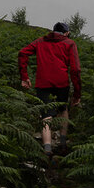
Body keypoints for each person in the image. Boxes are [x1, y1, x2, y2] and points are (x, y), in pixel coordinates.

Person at [18, 22, 82, 157]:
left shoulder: (40, 41)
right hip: (62, 82)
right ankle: (63, 143)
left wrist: (24, 76)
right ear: (66, 33)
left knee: (46, 115)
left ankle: (47, 149)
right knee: (63, 109)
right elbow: (75, 69)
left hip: (43, 82)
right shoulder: (69, 43)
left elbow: (23, 52)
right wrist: (77, 93)